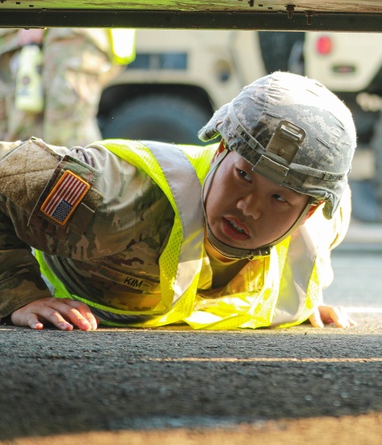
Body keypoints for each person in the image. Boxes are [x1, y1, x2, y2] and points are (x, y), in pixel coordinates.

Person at [0, 71, 358, 331]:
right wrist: (17, 293)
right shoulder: (116, 198)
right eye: (244, 176)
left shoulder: (328, 218)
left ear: (309, 212)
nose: (248, 207)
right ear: (220, 151)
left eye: (279, 198)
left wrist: (301, 299)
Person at [0, 27, 136, 146]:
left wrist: (35, 22)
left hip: (69, 34)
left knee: (65, 128)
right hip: (56, 34)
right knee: (28, 122)